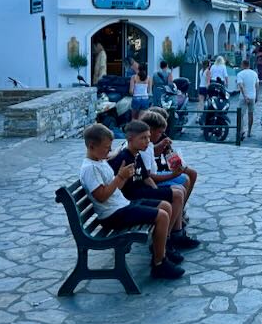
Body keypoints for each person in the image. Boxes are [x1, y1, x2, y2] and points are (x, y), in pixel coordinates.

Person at [79, 123, 183, 279]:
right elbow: (101, 196)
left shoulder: (99, 161)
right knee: (162, 216)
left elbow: (117, 188)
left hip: (122, 205)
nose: (109, 150)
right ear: (92, 146)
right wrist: (120, 177)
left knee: (166, 206)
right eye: (106, 147)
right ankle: (159, 264)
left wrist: (123, 177)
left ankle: (161, 251)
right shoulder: (90, 169)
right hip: (112, 215)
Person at [108, 120, 199, 252]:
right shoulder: (123, 158)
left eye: (148, 137)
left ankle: (173, 235)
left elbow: (146, 178)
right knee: (177, 193)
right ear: (130, 139)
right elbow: (119, 188)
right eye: (143, 138)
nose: (147, 141)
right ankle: (166, 241)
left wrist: (159, 192)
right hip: (132, 196)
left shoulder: (136, 153)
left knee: (177, 191)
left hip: (141, 191)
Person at [141, 110, 198, 214]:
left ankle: (180, 210)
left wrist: (177, 164)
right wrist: (173, 174)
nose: (163, 132)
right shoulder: (145, 141)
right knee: (186, 179)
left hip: (162, 166)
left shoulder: (159, 137)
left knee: (192, 173)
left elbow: (168, 156)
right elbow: (152, 158)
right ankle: (178, 214)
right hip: (159, 169)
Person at [236, 59, 259, 139]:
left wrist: (245, 96)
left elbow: (241, 86)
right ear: (249, 65)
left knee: (241, 115)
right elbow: (257, 85)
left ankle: (241, 131)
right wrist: (257, 96)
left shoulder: (240, 74)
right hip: (252, 96)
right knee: (250, 114)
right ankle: (249, 132)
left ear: (243, 65)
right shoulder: (254, 73)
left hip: (243, 97)